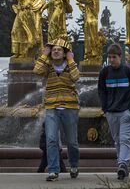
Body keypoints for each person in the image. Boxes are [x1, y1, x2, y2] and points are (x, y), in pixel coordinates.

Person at [32, 38, 80, 182]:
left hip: (70, 107)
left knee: (72, 141)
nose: (56, 51)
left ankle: (74, 165)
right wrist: (44, 54)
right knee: (51, 139)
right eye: (54, 50)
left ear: (65, 53)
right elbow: (37, 70)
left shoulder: (71, 66)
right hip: (51, 107)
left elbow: (76, 77)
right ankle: (53, 170)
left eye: (60, 49)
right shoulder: (48, 67)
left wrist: (71, 60)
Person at [98, 44, 130, 180]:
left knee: (124, 139)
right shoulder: (104, 72)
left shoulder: (129, 72)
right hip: (111, 112)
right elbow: (101, 91)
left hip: (125, 113)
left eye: (114, 57)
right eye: (109, 57)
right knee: (117, 140)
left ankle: (122, 164)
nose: (111, 60)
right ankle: (122, 165)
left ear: (120, 57)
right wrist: (105, 108)